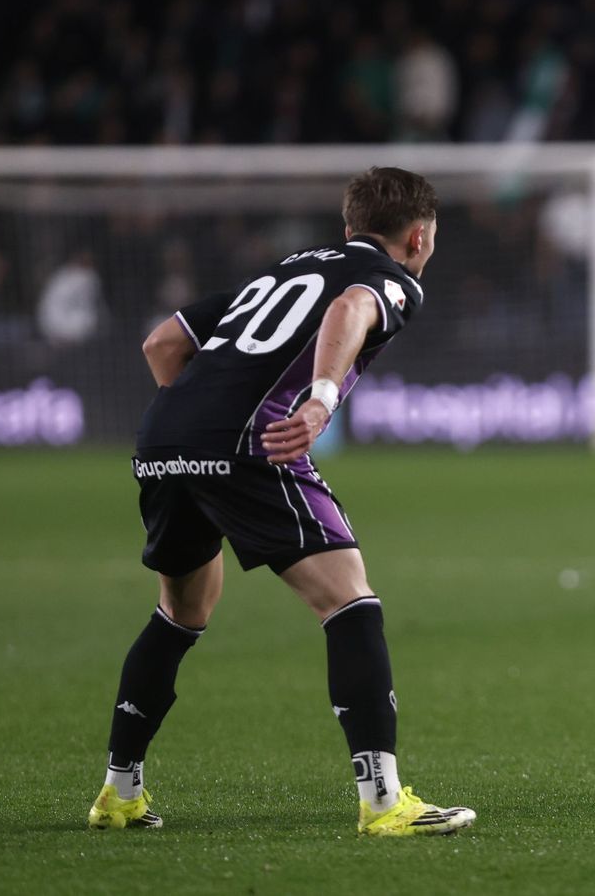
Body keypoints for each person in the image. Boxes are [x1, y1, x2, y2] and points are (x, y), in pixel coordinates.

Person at [87, 167, 475, 836]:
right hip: (250, 441)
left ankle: (118, 794)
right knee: (350, 602)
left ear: (349, 225)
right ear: (418, 235)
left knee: (181, 612)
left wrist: (192, 429)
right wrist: (322, 400)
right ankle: (384, 803)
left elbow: (164, 343)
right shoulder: (394, 279)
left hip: (162, 436)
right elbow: (351, 309)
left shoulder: (280, 271)